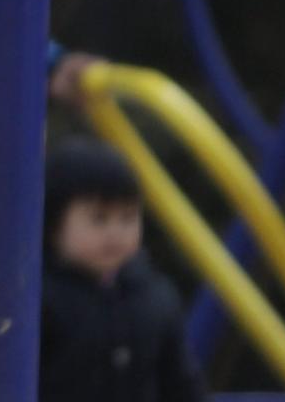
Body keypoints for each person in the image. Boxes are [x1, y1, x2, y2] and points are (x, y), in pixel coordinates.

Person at [40, 139, 204, 402]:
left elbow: (181, 382)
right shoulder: (38, 301)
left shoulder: (156, 297)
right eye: (99, 218)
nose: (115, 233)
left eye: (127, 217)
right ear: (53, 224)